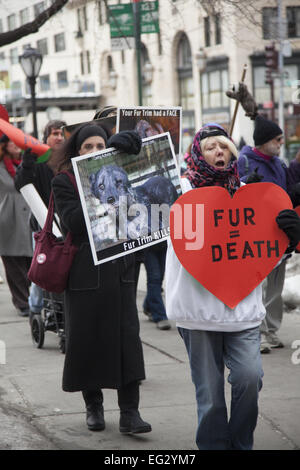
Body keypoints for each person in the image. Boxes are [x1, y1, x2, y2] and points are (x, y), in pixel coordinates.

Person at [165, 123, 300, 450]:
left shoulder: (249, 194)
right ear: (198, 152)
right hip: (196, 311)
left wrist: (288, 237)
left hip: (242, 309)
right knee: (209, 394)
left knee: (249, 378)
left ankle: (241, 444)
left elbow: (262, 252)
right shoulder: (178, 191)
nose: (218, 152)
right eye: (210, 146)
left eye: (223, 145)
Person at [51, 122, 151, 434]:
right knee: (86, 339)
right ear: (77, 152)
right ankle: (93, 406)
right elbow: (73, 222)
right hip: (83, 272)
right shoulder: (65, 181)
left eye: (101, 146)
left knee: (127, 339)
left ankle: (130, 413)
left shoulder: (119, 176)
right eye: (88, 148)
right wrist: (99, 190)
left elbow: (143, 209)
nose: (95, 152)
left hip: (120, 268)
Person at [238, 115, 300, 353]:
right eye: (278, 139)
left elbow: (281, 197)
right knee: (260, 286)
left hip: (279, 234)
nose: (281, 142)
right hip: (256, 235)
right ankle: (258, 333)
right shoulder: (244, 161)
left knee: (275, 286)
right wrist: (245, 183)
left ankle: (270, 331)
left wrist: (294, 194)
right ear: (264, 141)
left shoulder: (279, 164)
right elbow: (233, 192)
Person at [15, 120, 66, 322]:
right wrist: (27, 161)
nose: (59, 137)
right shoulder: (37, 161)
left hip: (67, 224)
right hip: (43, 225)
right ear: (46, 138)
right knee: (42, 270)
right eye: (55, 133)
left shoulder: (70, 160)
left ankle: (60, 310)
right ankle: (35, 308)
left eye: (62, 133)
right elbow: (21, 182)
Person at [0, 135, 33, 316]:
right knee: (13, 265)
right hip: (7, 222)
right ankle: (22, 302)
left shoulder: (23, 164)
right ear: (4, 145)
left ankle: (32, 299)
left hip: (27, 219)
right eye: (12, 141)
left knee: (30, 265)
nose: (17, 145)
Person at [143, 241, 171, 330]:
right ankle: (160, 316)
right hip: (147, 243)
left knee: (159, 279)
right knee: (155, 278)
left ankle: (148, 306)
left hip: (163, 243)